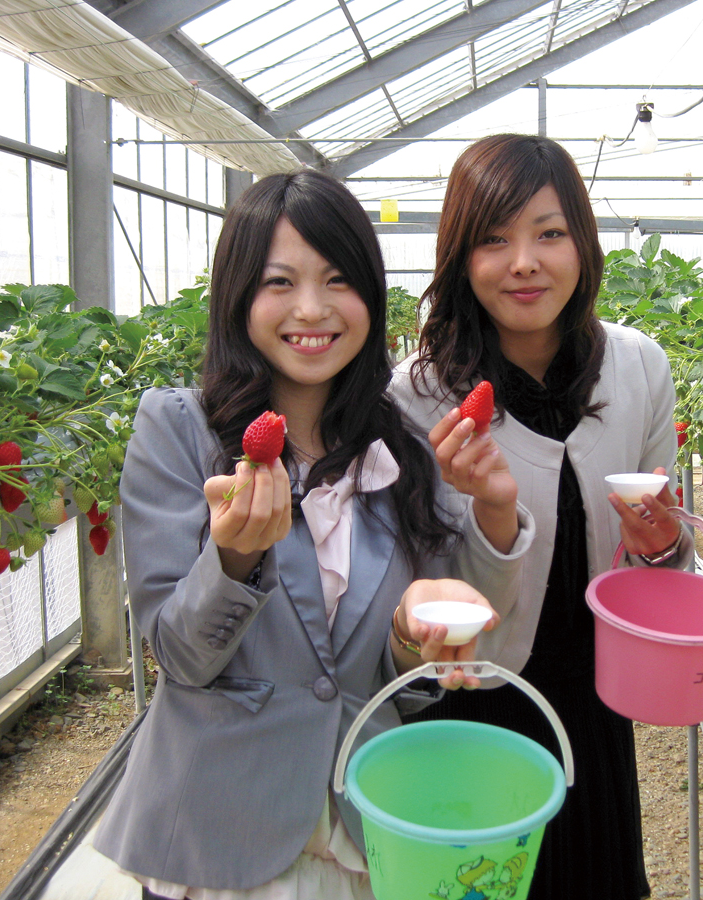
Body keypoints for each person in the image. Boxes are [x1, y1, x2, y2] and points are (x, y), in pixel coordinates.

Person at [92, 170, 534, 900]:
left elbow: (418, 683)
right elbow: (178, 655)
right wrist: (232, 558)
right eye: (279, 282)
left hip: (366, 837)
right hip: (219, 841)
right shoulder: (180, 432)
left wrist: (407, 630)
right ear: (238, 296)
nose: (311, 309)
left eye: (337, 280)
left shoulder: (405, 453)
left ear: (369, 294)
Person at [391, 134, 690, 900]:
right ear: (461, 257)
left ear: (582, 246)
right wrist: (490, 516)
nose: (524, 261)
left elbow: (661, 570)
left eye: (549, 233)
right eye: (494, 238)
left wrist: (662, 548)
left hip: (593, 705)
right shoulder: (416, 400)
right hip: (472, 707)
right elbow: (418, 604)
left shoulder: (637, 368)